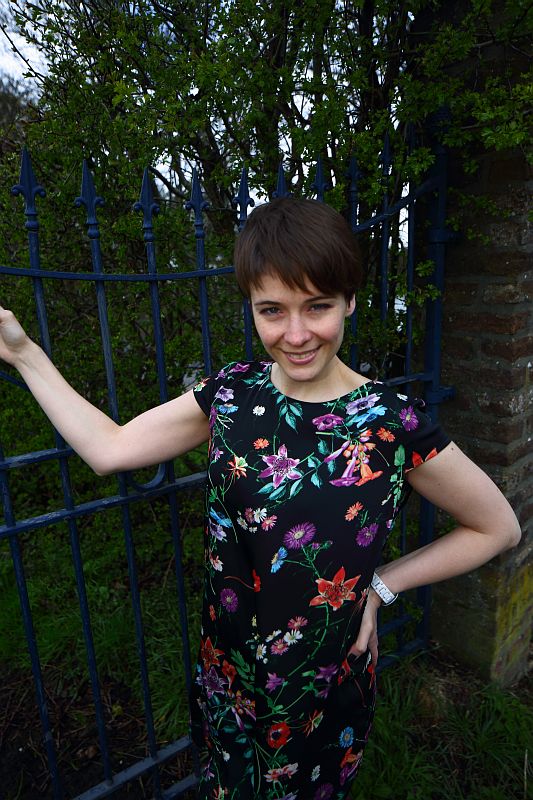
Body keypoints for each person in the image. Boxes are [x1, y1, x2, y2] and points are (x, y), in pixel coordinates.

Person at [0, 198, 521, 800]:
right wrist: (22, 352)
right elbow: (108, 448)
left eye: (318, 306)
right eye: (272, 310)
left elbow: (496, 527)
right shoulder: (230, 395)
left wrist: (382, 587)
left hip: (322, 682)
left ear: (350, 300)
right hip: (228, 671)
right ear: (251, 305)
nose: (296, 335)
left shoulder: (391, 422)